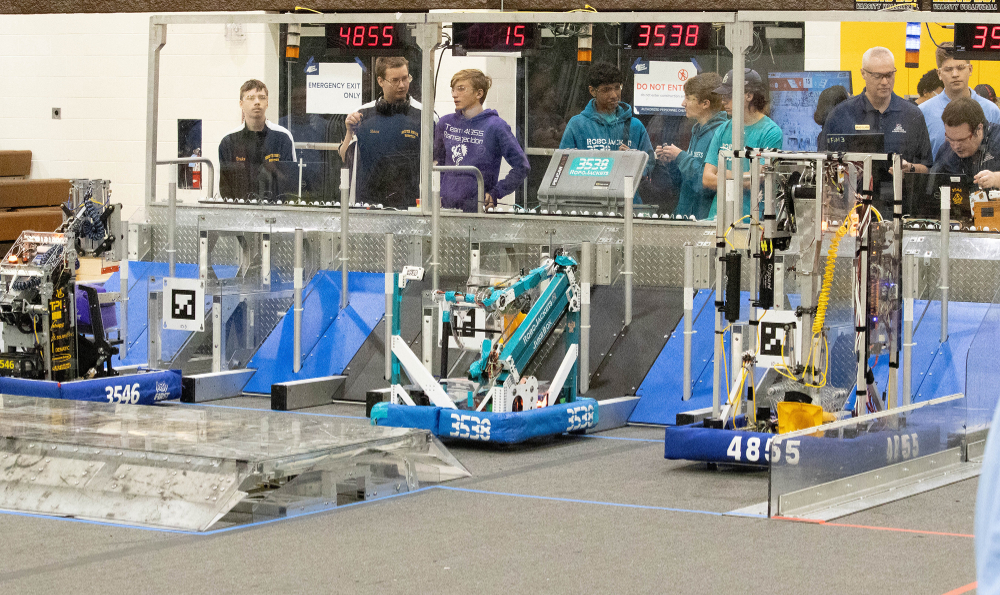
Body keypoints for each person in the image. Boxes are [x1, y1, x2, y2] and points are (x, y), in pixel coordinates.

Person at [819, 47, 933, 211]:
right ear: (863, 73)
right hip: (851, 212)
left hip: (900, 210)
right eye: (878, 76)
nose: (885, 82)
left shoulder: (912, 115)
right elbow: (823, 167)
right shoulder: (840, 115)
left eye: (889, 75)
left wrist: (910, 168)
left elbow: (927, 168)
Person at [339, 57, 435, 208]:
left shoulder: (426, 116)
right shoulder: (362, 114)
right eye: (395, 80)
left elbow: (435, 164)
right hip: (368, 203)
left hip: (410, 204)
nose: (402, 85)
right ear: (380, 81)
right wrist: (349, 132)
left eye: (405, 78)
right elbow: (345, 156)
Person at [433, 69, 529, 213]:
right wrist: (438, 192)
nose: (454, 94)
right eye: (453, 89)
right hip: (445, 208)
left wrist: (496, 193)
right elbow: (437, 163)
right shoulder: (445, 123)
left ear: (479, 93)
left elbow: (522, 166)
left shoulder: (496, 126)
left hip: (477, 209)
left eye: (461, 89)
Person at [559, 61, 655, 203]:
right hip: (589, 204)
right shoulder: (577, 125)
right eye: (606, 90)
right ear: (592, 91)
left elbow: (649, 163)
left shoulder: (635, 125)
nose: (614, 95)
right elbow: (563, 166)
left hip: (627, 205)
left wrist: (634, 162)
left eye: (617, 87)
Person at [702, 68, 783, 219]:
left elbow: (755, 179)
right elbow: (707, 179)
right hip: (718, 218)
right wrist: (743, 177)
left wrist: (723, 174)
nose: (723, 101)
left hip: (751, 220)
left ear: (749, 96)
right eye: (723, 96)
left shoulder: (771, 132)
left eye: (729, 95)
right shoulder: (723, 129)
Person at [654, 72, 727, 219]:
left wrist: (681, 157)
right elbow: (685, 183)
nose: (683, 103)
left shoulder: (721, 134)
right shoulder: (697, 130)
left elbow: (706, 185)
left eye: (688, 98)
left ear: (705, 104)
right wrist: (671, 162)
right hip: (687, 217)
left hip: (704, 219)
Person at [219, 79, 296, 201]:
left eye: (262, 98)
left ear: (267, 103)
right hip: (240, 210)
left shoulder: (283, 137)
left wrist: (274, 170)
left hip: (276, 210)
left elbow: (291, 182)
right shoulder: (228, 141)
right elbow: (225, 188)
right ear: (241, 104)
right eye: (250, 98)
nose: (257, 102)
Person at [920, 42, 1000, 158]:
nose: (955, 74)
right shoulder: (923, 112)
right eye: (948, 69)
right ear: (939, 73)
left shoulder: (992, 110)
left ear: (970, 69)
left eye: (960, 68)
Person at [929, 97, 1000, 188]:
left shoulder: (997, 139)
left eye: (961, 140)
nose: (956, 146)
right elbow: (932, 189)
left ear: (979, 129)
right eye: (950, 139)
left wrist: (996, 179)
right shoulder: (945, 152)